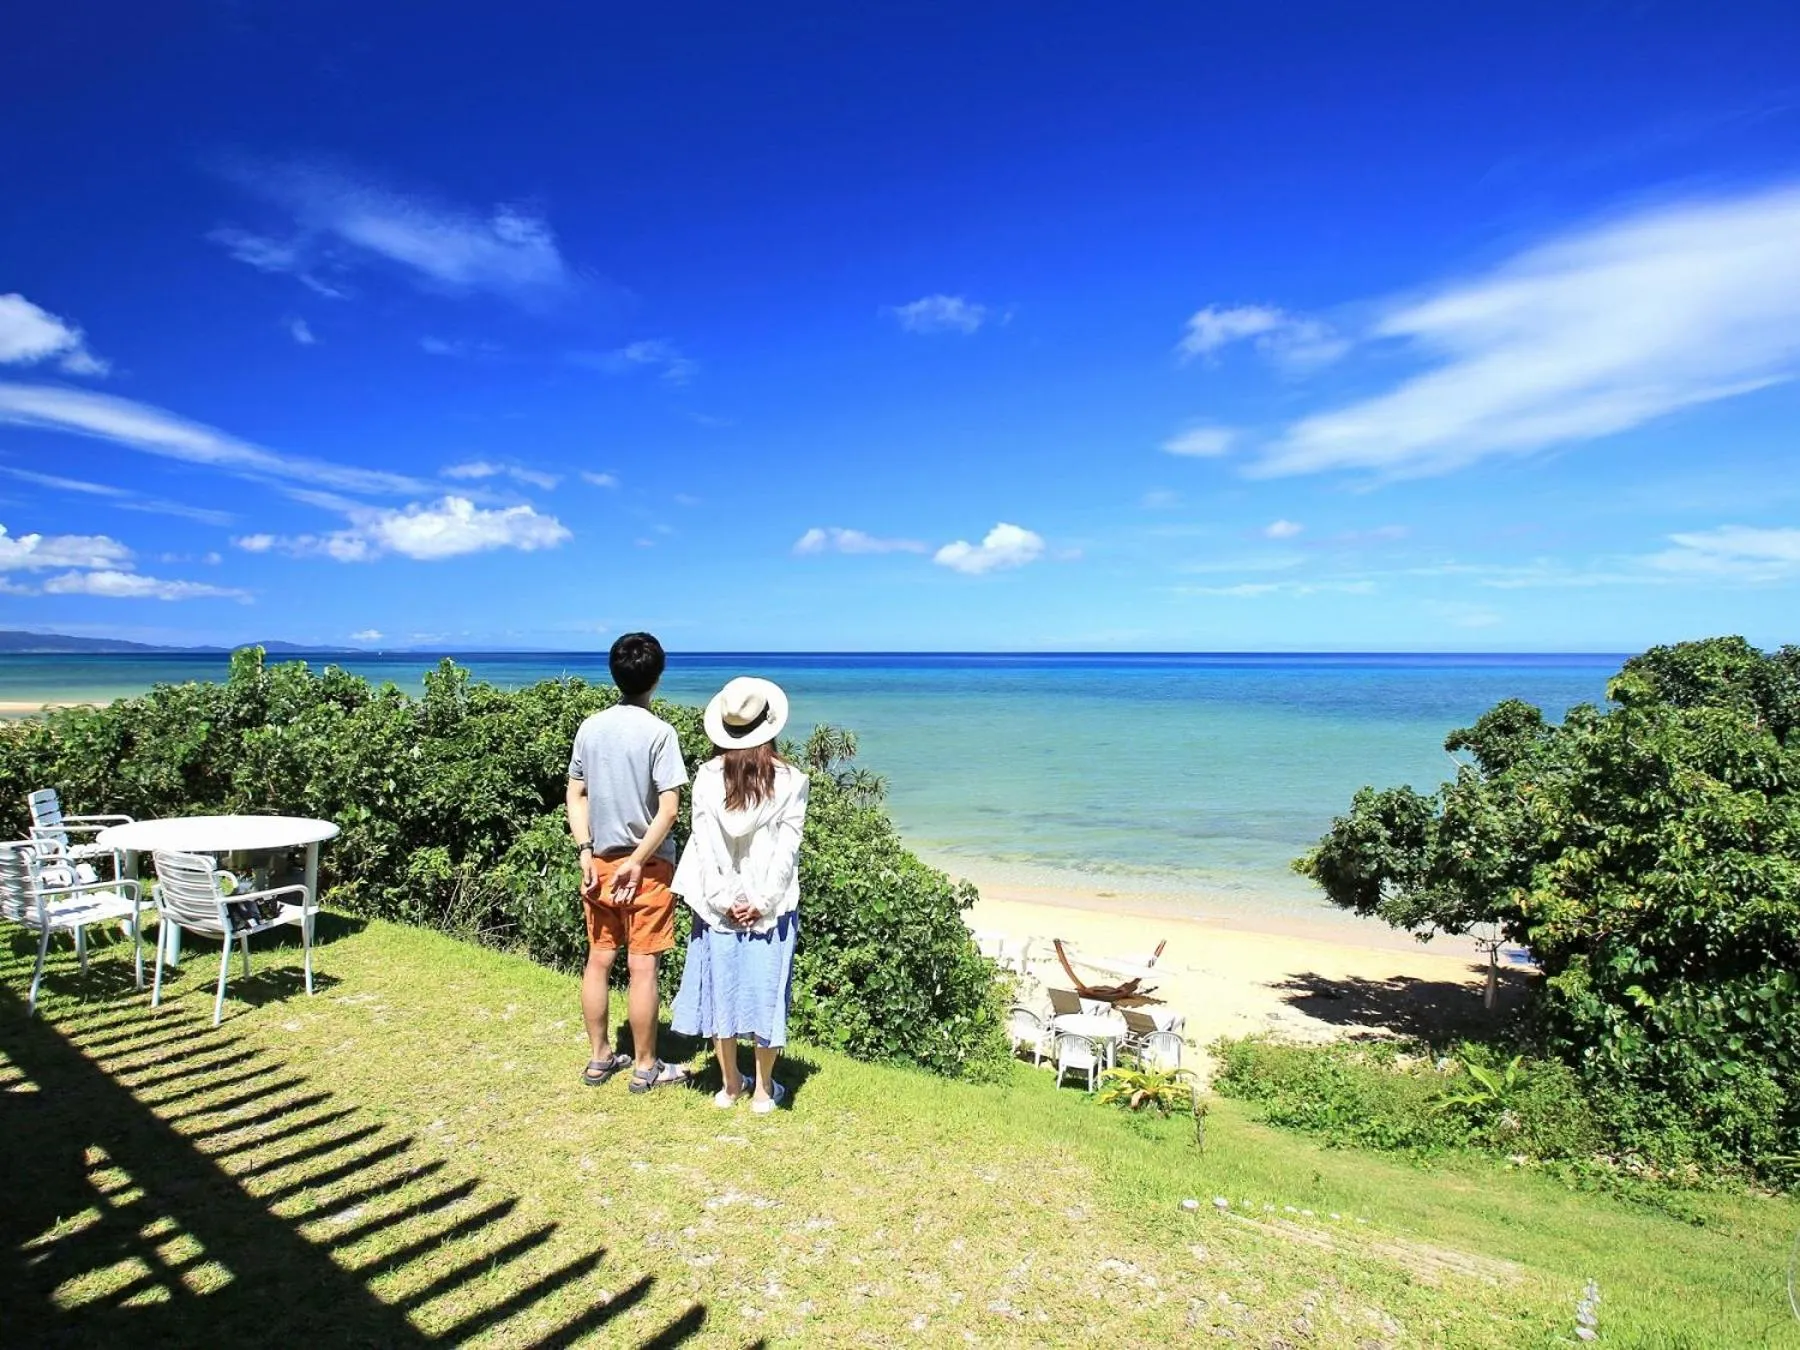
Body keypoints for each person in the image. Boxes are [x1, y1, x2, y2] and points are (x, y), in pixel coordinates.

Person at [671, 676, 809, 1114]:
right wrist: (762, 901)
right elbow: (786, 853)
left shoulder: (707, 778)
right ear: (770, 727)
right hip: (769, 909)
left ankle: (730, 1084)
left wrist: (724, 899)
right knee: (767, 996)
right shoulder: (791, 781)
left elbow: (705, 845)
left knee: (722, 992)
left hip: (718, 908)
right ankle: (765, 1091)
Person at [566, 632, 691, 1093]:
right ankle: (645, 1065)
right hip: (648, 867)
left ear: (615, 674)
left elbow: (575, 793)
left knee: (598, 960)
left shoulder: (590, 727)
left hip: (598, 862)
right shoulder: (660, 733)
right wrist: (639, 860)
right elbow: (670, 808)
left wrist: (584, 850)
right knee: (642, 967)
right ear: (657, 677)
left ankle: (599, 1058)